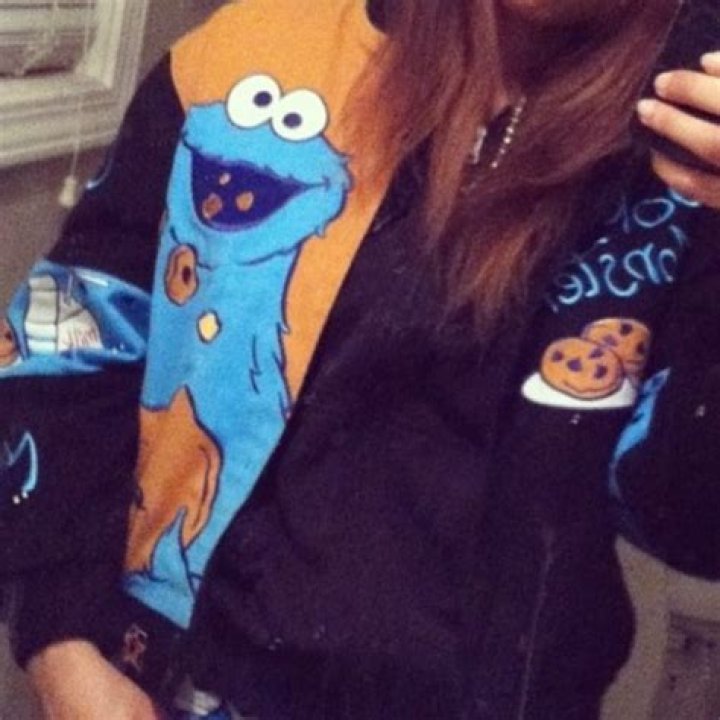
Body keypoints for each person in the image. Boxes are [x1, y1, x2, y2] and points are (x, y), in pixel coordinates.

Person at [2, 1, 720, 718]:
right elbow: (70, 336)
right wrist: (61, 643)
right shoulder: (250, 59)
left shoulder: (689, 146)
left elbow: (687, 518)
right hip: (167, 690)